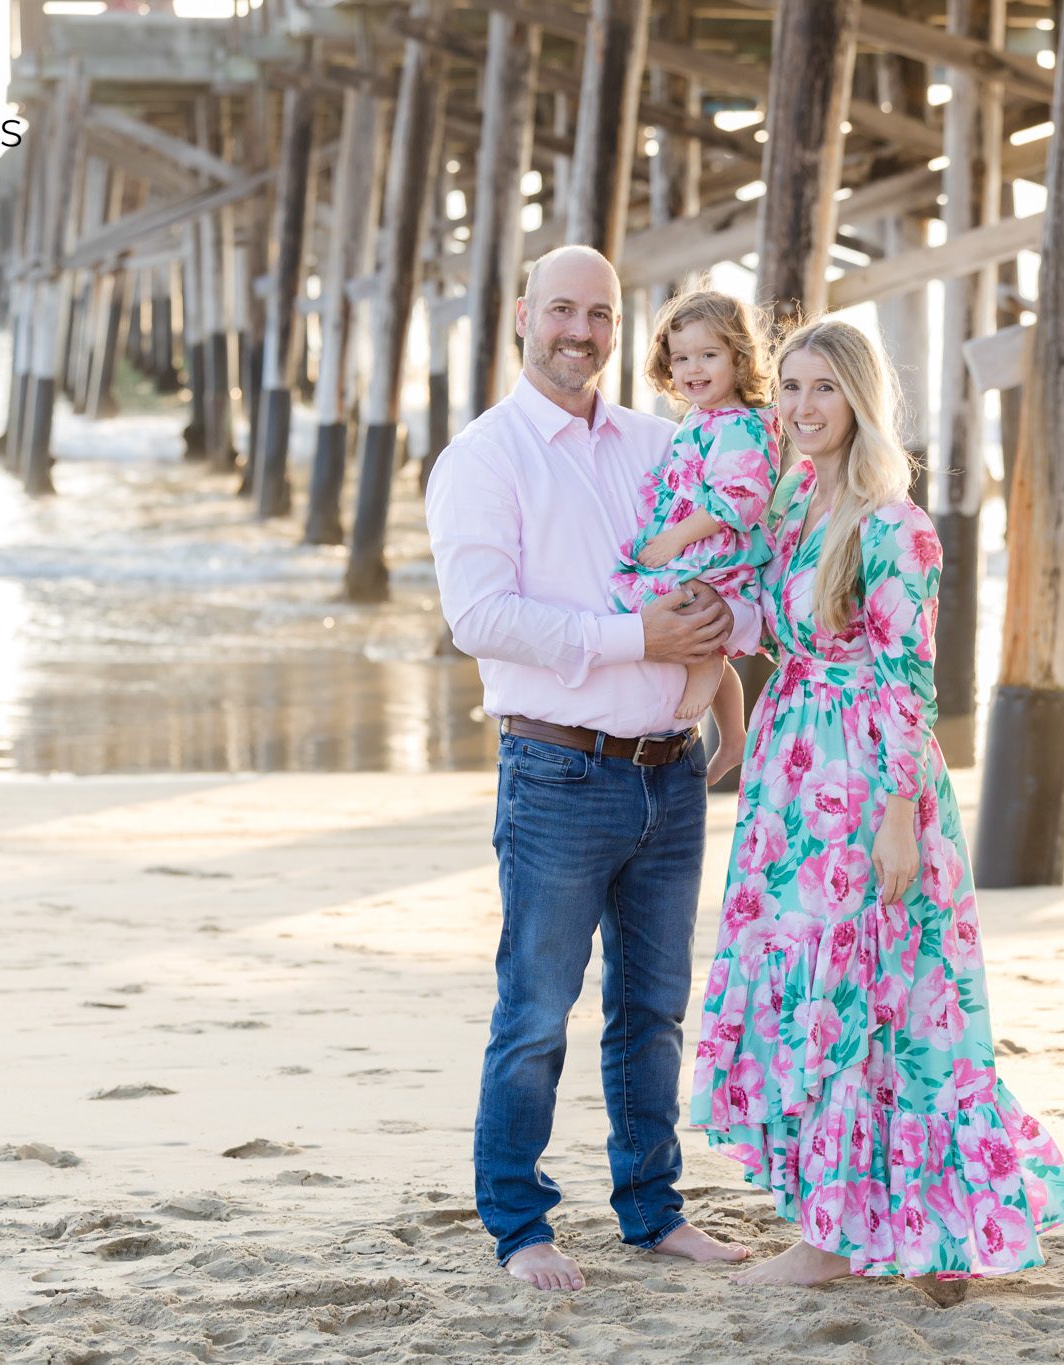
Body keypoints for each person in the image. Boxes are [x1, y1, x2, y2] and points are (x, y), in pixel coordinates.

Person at [690, 319, 1064, 1292]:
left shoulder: (891, 525)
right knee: (810, 994)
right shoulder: (791, 503)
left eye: (822, 387)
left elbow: (909, 678)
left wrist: (898, 815)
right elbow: (755, 615)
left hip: (868, 781)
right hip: (791, 785)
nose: (800, 407)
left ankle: (836, 1242)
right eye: (787, 387)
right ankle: (845, 1221)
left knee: (871, 1002)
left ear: (859, 400)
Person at [424, 245, 753, 1293]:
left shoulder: (666, 443)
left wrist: (719, 626)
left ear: (620, 329)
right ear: (522, 316)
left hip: (670, 771)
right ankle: (520, 1227)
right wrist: (634, 637)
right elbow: (478, 617)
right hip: (557, 774)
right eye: (559, 310)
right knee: (533, 1014)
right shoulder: (482, 457)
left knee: (653, 1009)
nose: (578, 331)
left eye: (599, 314)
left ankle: (652, 1212)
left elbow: (735, 572)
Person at [605, 289, 779, 790]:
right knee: (695, 629)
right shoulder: (704, 419)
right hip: (697, 541)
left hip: (714, 546)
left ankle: (706, 685)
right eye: (681, 358)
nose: (692, 368)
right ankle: (734, 738)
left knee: (689, 617)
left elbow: (738, 500)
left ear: (739, 358)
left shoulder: (741, 424)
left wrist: (672, 541)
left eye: (709, 355)